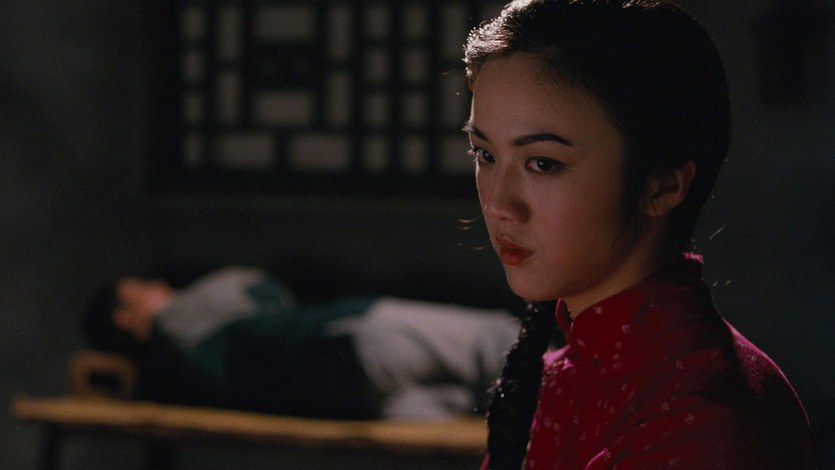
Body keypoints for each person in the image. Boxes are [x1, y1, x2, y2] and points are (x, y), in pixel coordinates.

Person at [462, 1, 817, 468]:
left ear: (661, 185)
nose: (498, 205)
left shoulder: (696, 419)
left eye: (543, 164)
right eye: (485, 155)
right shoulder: (559, 376)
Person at [82, 266, 520, 421]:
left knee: (489, 408)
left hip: (354, 397)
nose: (160, 286)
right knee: (496, 339)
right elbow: (255, 286)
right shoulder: (177, 320)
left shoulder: (165, 375)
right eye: (144, 289)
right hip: (352, 338)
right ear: (126, 318)